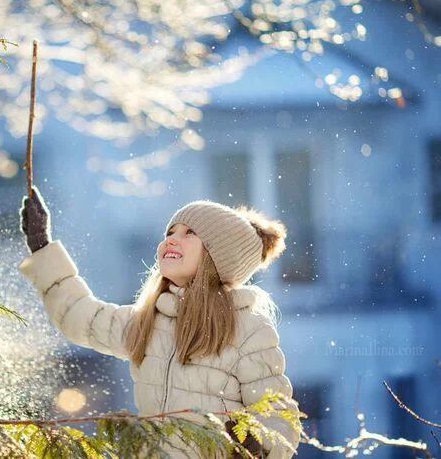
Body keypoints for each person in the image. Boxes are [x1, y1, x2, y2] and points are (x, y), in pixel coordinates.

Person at [19, 186, 302, 458]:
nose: (171, 238)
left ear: (219, 256)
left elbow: (278, 413)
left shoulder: (247, 328)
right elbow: (79, 316)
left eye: (189, 233)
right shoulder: (148, 321)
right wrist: (42, 246)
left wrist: (257, 443)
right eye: (170, 231)